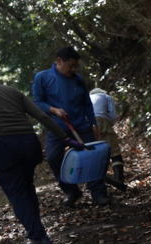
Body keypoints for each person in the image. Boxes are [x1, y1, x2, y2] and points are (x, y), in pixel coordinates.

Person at [0, 70, 80, 244]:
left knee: (16, 191)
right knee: (26, 185)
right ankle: (36, 231)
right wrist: (64, 137)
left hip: (3, 145)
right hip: (29, 142)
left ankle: (38, 236)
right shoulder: (12, 91)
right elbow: (42, 115)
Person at [32, 46, 109, 207]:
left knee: (92, 156)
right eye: (71, 65)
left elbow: (87, 103)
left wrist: (93, 123)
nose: (74, 69)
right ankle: (71, 191)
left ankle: (98, 193)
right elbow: (37, 102)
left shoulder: (78, 79)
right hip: (57, 128)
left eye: (76, 66)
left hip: (81, 124)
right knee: (53, 158)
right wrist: (53, 110)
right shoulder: (43, 77)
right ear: (59, 61)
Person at [89, 87, 125, 184]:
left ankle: (95, 182)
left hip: (88, 124)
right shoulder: (106, 96)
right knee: (114, 151)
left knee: (94, 152)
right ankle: (119, 178)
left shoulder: (88, 97)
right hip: (102, 120)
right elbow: (113, 115)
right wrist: (109, 125)